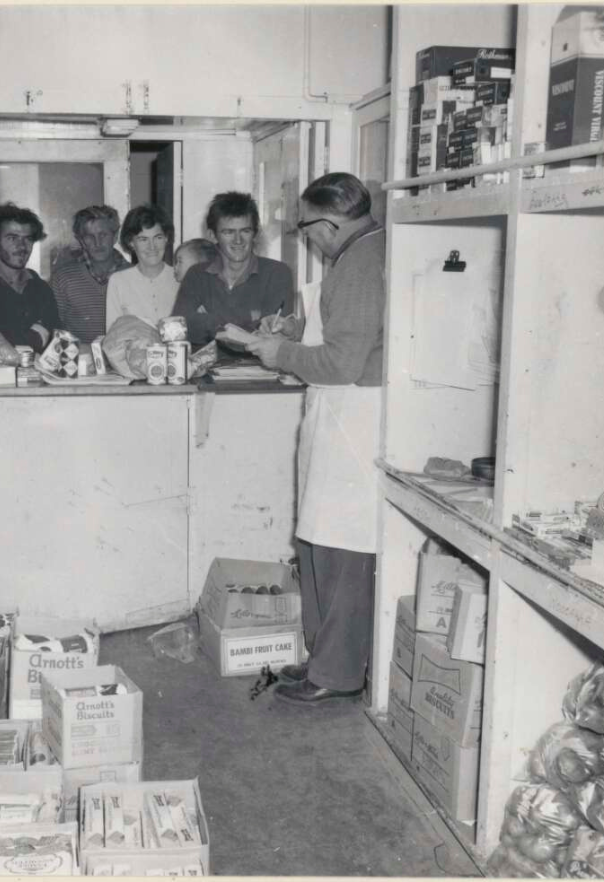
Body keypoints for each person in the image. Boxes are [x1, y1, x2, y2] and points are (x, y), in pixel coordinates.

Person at [243, 173, 386, 705]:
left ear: (329, 224)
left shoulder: (360, 263)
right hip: (341, 415)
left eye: (307, 229)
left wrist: (280, 354)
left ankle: (339, 674)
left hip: (356, 419)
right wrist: (295, 331)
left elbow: (343, 363)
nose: (308, 238)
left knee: (343, 552)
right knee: (319, 544)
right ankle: (323, 660)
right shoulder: (361, 254)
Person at [170, 192, 295, 349]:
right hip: (205, 368)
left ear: (255, 234)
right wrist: (248, 325)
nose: (238, 240)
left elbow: (273, 336)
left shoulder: (278, 273)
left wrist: (206, 321)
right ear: (212, 236)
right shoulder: (196, 275)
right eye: (228, 232)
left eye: (245, 231)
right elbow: (176, 330)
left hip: (262, 370)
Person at [0, 203, 60, 352]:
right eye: (12, 238)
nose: (22, 246)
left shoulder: (40, 288)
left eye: (28, 239)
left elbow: (56, 342)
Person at [50, 205, 130, 341]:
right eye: (89, 237)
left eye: (103, 235)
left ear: (115, 236)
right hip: (78, 359)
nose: (97, 243)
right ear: (81, 241)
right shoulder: (63, 278)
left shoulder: (134, 276)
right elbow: (54, 328)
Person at [105, 205, 179, 330]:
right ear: (131, 242)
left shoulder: (181, 278)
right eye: (143, 239)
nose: (152, 246)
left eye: (158, 237)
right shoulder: (118, 281)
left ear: (166, 238)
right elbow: (113, 337)